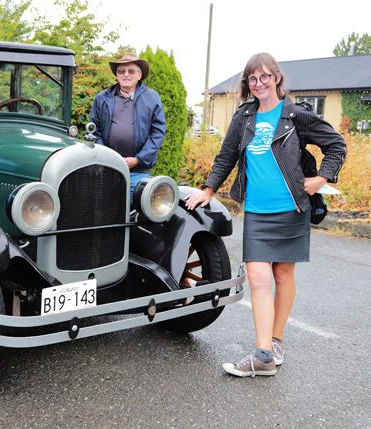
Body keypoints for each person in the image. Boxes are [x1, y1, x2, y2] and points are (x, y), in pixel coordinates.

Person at [185, 53, 346, 377]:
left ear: (276, 78)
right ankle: (263, 354)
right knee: (259, 278)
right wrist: (208, 190)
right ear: (248, 84)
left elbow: (336, 145)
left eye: (264, 77)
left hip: (291, 207)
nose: (259, 83)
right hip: (256, 210)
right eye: (252, 79)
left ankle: (275, 339)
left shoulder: (296, 114)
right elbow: (227, 154)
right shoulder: (244, 116)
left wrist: (321, 178)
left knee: (283, 275)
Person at [89, 53, 166, 199]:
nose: (126, 75)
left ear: (139, 75)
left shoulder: (152, 98)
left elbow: (158, 133)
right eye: (121, 71)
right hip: (107, 168)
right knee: (104, 208)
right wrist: (107, 157)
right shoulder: (102, 98)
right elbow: (95, 131)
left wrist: (138, 159)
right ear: (117, 75)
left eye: (131, 71)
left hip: (139, 170)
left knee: (133, 212)